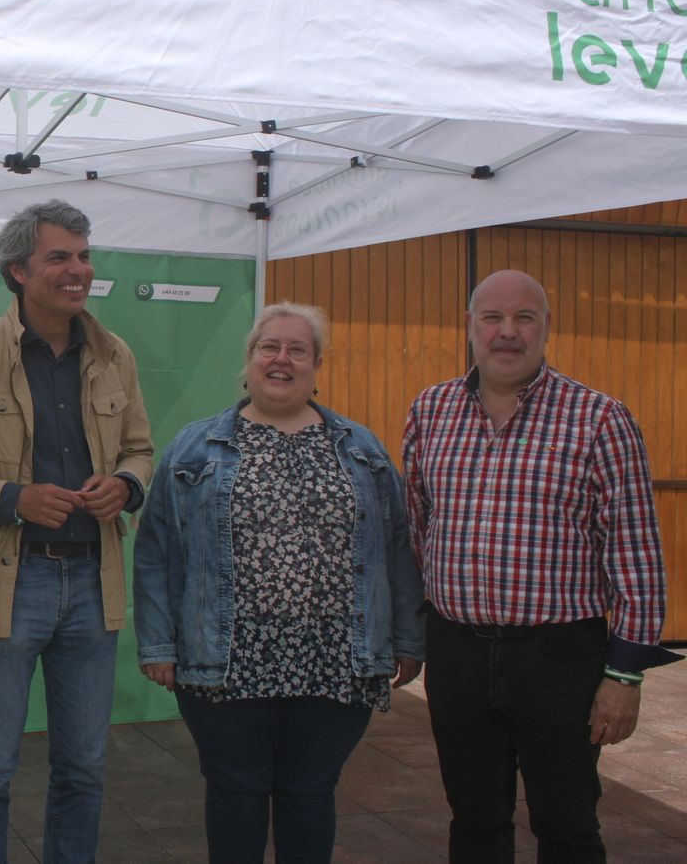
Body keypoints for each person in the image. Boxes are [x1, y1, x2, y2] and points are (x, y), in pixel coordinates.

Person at [403, 269, 680, 862]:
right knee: (474, 821)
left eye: (524, 318)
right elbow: (418, 531)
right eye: (493, 318)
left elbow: (637, 560)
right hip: (457, 656)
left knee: (567, 824)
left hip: (560, 662)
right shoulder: (430, 410)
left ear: (546, 327)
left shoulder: (599, 418)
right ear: (470, 326)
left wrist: (625, 677)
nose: (507, 332)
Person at [133, 302, 425, 864]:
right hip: (225, 662)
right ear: (249, 360)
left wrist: (408, 638)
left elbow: (396, 547)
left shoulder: (362, 450)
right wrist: (158, 644)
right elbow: (156, 551)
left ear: (317, 365)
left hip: (335, 662)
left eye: (298, 350)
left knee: (310, 795)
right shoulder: (194, 448)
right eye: (270, 347)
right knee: (235, 795)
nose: (282, 359)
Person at [0, 199, 153, 864]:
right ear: (18, 270)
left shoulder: (116, 355)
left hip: (93, 580)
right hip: (7, 579)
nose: (78, 269)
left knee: (84, 769)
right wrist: (12, 498)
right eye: (60, 257)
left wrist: (126, 484)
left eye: (83, 255)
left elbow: (140, 448)